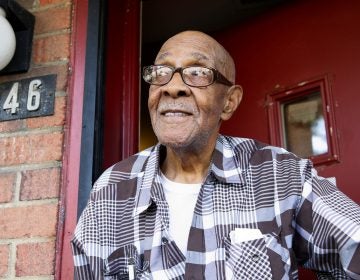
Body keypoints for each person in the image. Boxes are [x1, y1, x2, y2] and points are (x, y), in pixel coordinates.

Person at [71, 30, 360, 279]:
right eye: (161, 72)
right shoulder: (112, 189)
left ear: (229, 102)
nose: (173, 87)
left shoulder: (280, 174)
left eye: (197, 72)